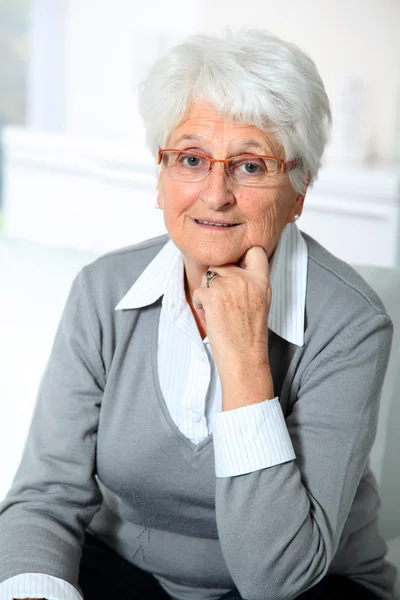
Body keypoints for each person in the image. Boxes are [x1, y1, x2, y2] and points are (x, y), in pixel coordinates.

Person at [0, 28, 397, 600]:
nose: (215, 194)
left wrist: (242, 356)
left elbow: (277, 579)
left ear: (300, 190)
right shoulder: (101, 292)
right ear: (161, 180)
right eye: (190, 159)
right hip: (128, 577)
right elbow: (43, 499)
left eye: (251, 166)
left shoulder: (351, 324)